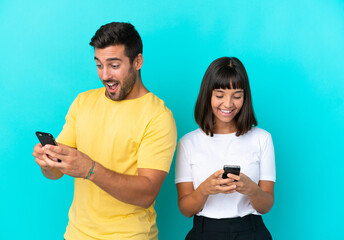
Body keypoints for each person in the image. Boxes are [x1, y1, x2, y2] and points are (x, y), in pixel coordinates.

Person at [32, 22, 177, 240]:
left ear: (137, 61)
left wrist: (90, 169)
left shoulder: (158, 117)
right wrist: (47, 163)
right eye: (99, 65)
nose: (105, 75)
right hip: (77, 234)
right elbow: (56, 172)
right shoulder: (83, 102)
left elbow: (147, 193)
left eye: (114, 65)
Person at [175, 57, 275, 239]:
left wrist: (251, 189)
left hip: (251, 231)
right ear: (208, 95)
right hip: (205, 232)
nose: (228, 104)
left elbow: (267, 205)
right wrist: (205, 189)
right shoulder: (187, 142)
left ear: (245, 97)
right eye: (220, 95)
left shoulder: (262, 138)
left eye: (237, 96)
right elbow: (185, 209)